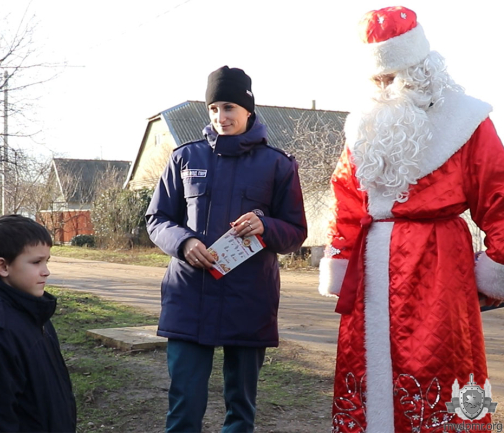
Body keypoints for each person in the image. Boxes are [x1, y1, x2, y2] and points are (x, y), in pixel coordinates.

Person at [318, 6, 504, 433]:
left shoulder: (467, 121)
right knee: (368, 367)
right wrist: (341, 258)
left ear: (420, 68)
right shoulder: (361, 125)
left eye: (393, 76)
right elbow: (347, 199)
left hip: (439, 266)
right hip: (370, 269)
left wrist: (495, 266)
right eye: (377, 79)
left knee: (441, 363)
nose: (385, 88)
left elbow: (499, 195)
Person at [146, 65, 307, 433]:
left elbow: (296, 232)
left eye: (229, 107)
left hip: (248, 300)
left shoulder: (278, 165)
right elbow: (156, 218)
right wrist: (184, 242)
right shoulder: (184, 158)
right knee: (184, 408)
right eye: (214, 108)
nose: (221, 117)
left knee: (240, 410)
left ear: (248, 109)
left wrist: (266, 226)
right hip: (188, 297)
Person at [0, 214, 77, 432]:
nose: (46, 271)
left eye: (47, 261)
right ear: (3, 267)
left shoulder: (36, 314)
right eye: (36, 262)